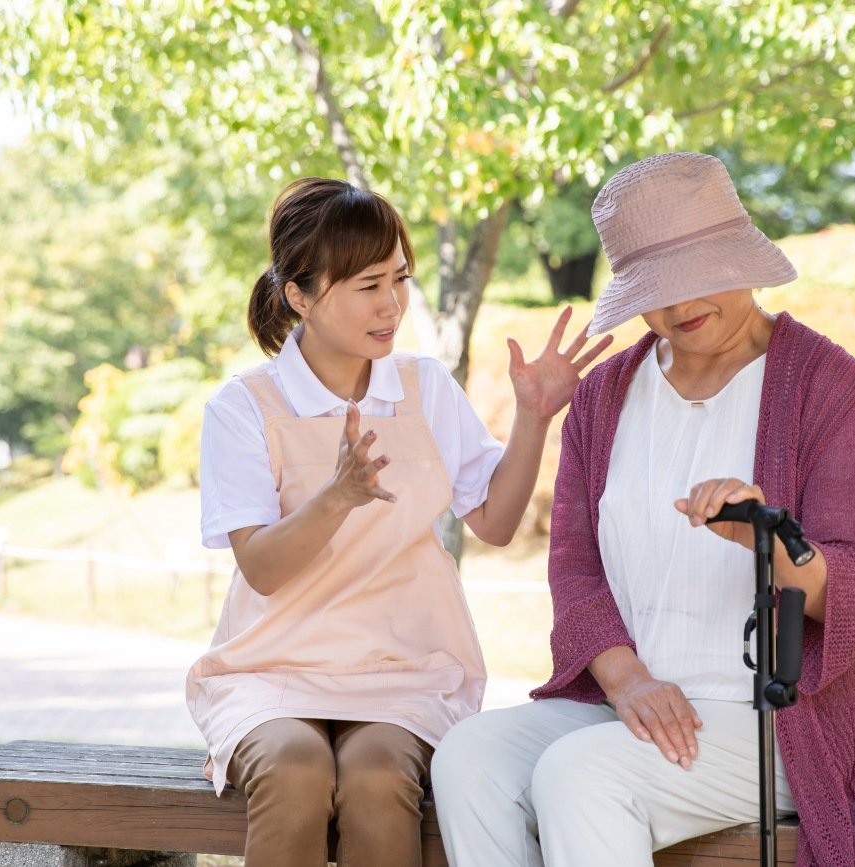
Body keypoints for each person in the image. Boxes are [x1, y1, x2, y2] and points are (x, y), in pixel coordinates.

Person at [431, 152, 855, 867]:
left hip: (776, 725)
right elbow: (575, 569)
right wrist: (628, 681)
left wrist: (765, 536)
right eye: (657, 288)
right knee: (469, 755)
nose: (679, 305)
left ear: (741, 255)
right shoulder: (602, 397)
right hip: (623, 703)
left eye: (700, 274)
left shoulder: (825, 384)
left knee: (582, 774)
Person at [185, 177, 612, 867]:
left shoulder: (423, 386)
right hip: (272, 667)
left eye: (399, 278)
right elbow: (260, 566)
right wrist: (336, 495)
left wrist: (534, 417)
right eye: (366, 285)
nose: (392, 305)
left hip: (406, 666)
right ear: (299, 295)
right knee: (295, 773)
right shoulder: (244, 407)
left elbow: (495, 522)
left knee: (379, 779)